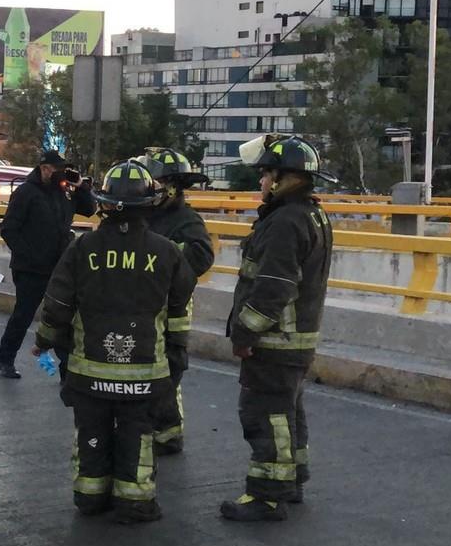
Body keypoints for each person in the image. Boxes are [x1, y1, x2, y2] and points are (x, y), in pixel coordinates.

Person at [33, 161, 195, 523]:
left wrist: (44, 340)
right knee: (137, 433)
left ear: (104, 203)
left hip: (89, 373)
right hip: (143, 375)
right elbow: (180, 303)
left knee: (91, 431)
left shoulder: (82, 248)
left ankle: (90, 496)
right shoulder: (167, 251)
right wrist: (177, 351)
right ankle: (135, 501)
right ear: (149, 204)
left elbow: (58, 302)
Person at [221, 135, 335, 522]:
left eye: (267, 175)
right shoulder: (313, 214)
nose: (262, 183)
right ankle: (292, 481)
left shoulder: (285, 221)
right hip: (298, 340)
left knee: (265, 414)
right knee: (288, 413)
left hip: (275, 341)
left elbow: (273, 286)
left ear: (286, 178)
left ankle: (268, 495)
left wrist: (245, 334)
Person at [136, 147, 214, 455]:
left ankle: (167, 433)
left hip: (171, 310)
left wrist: (160, 256)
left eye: (152, 180)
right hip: (143, 307)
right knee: (150, 367)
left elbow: (201, 255)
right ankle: (166, 430)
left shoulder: (185, 219)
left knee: (168, 368)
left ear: (168, 185)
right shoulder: (145, 213)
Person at [0, 150, 96, 378]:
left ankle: (66, 369)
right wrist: (29, 256)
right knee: (24, 315)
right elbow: (8, 229)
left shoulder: (63, 193)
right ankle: (6, 359)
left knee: (63, 317)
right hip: (31, 269)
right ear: (44, 168)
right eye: (57, 168)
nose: (61, 172)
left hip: (59, 268)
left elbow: (90, 210)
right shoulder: (26, 193)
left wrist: (80, 186)